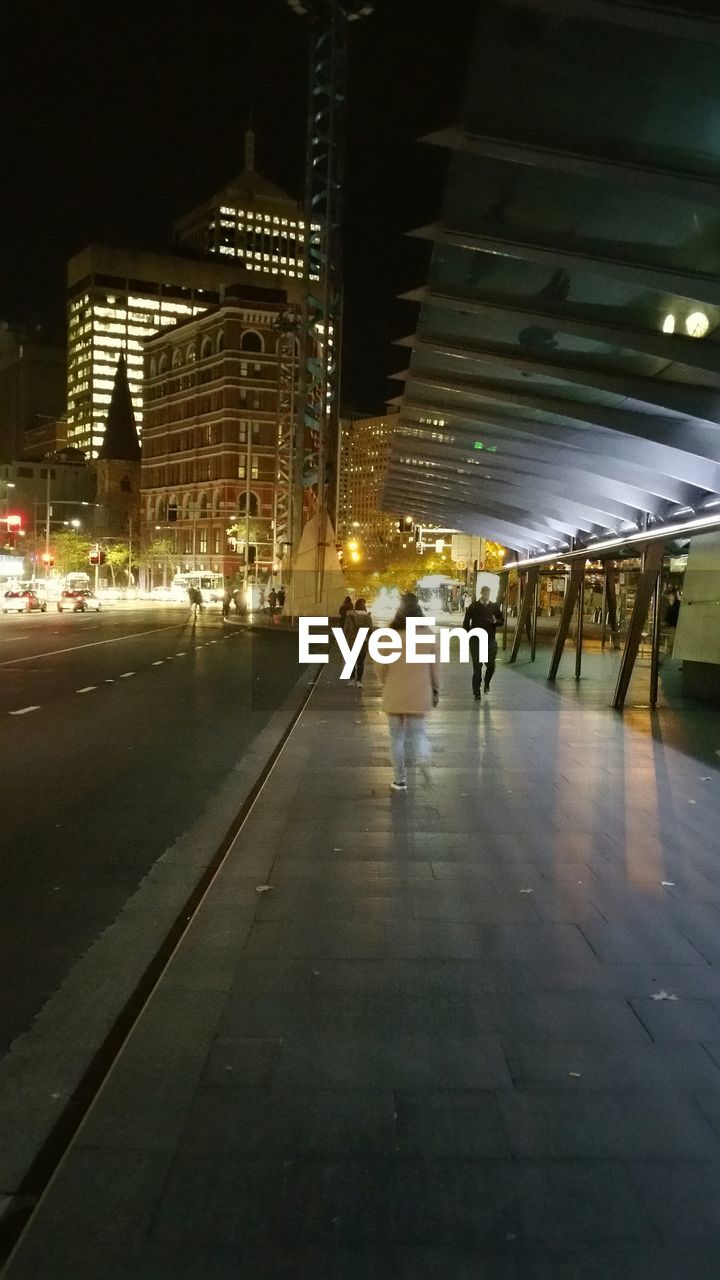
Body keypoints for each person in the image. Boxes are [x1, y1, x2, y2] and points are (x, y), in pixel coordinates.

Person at [378, 593, 439, 792]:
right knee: (418, 734)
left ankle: (400, 779)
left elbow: (380, 666)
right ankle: (422, 757)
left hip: (394, 693)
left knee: (396, 738)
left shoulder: (390, 635)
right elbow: (435, 668)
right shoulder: (428, 634)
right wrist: (435, 689)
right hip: (419, 694)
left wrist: (386, 682)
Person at [463, 585, 504, 701]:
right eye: (484, 593)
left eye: (488, 593)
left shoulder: (494, 607)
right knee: (477, 667)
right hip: (476, 640)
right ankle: (476, 691)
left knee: (491, 665)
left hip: (489, 639)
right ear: (481, 594)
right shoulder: (474, 606)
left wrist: (496, 621)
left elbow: (501, 620)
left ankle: (487, 682)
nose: (486, 595)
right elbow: (466, 622)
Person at [343, 597, 372, 686]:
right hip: (363, 641)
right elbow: (370, 630)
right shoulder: (367, 617)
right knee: (360, 662)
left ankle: (351, 679)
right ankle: (359, 681)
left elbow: (346, 629)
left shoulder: (350, 616)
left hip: (352, 641)